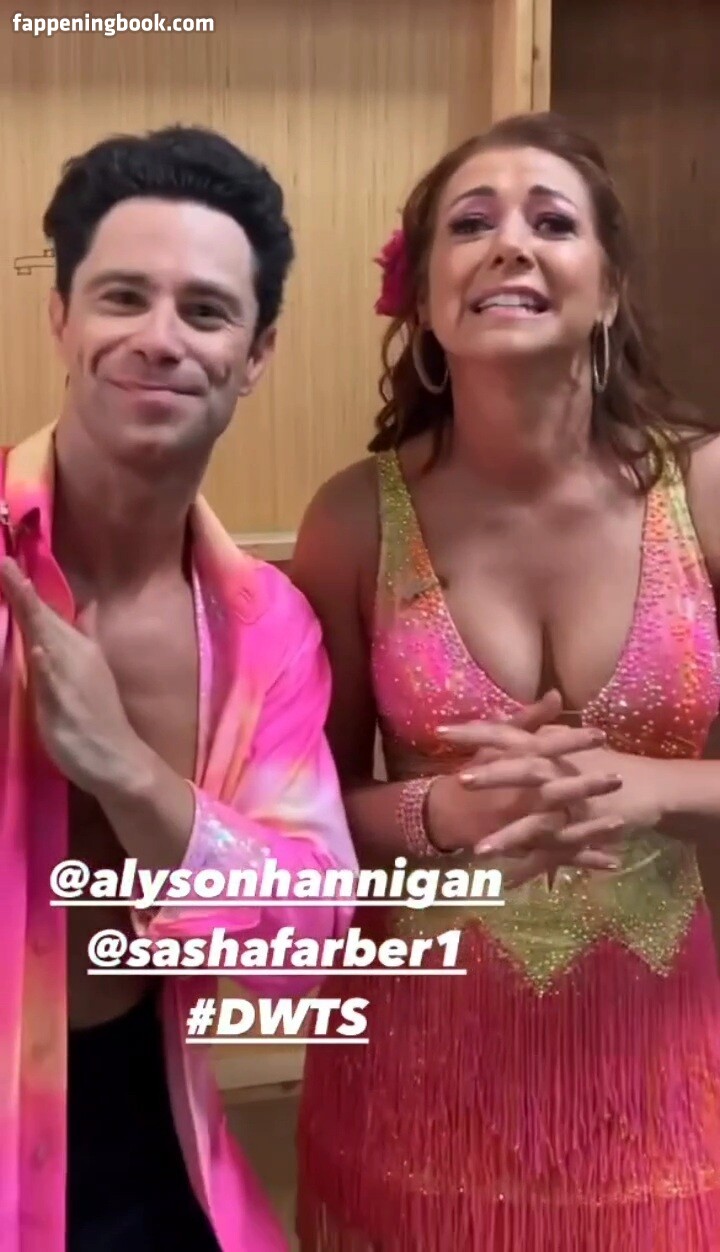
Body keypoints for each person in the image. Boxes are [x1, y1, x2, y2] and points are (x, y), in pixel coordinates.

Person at [291, 110, 720, 1249]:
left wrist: (651, 786)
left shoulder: (707, 491)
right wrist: (442, 810)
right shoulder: (353, 519)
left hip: (654, 1063)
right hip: (418, 1065)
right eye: (471, 223)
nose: (512, 243)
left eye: (553, 221)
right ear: (428, 301)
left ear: (609, 289)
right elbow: (297, 811)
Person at [0, 125, 366, 1252]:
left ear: (255, 355)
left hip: (150, 1135)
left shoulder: (267, 631)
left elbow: (305, 948)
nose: (160, 339)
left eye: (206, 311)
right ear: (61, 318)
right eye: (123, 297)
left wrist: (127, 774)